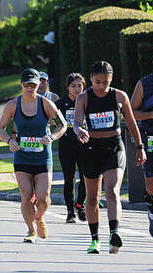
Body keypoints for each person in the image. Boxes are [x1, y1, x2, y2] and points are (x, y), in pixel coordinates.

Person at [74, 61, 145, 254]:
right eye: (97, 82)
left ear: (111, 79)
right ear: (91, 79)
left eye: (105, 82)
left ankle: (114, 233)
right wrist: (80, 130)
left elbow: (131, 123)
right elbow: (77, 121)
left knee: (113, 191)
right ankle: (95, 239)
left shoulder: (120, 96)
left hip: (114, 147)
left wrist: (140, 147)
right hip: (91, 149)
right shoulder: (83, 98)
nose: (101, 86)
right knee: (92, 198)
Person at [0, 68, 67, 244]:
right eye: (26, 84)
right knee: (26, 194)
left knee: (43, 198)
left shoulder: (46, 104)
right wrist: (8, 141)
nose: (29, 88)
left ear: (39, 85)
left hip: (42, 156)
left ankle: (39, 216)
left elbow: (63, 125)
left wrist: (51, 137)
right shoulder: (13, 105)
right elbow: (0, 128)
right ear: (21, 84)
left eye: (33, 85)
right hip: (22, 157)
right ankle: (30, 230)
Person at [130, 49, 153, 239]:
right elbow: (131, 112)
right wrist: (152, 115)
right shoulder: (144, 84)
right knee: (151, 185)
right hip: (150, 138)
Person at [55, 73, 87, 223]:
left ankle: (80, 205)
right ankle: (70, 212)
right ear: (67, 87)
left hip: (84, 144)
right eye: (73, 86)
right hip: (67, 144)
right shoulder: (61, 103)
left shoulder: (88, 101)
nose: (77, 89)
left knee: (86, 178)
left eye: (79, 85)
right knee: (69, 179)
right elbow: (53, 120)